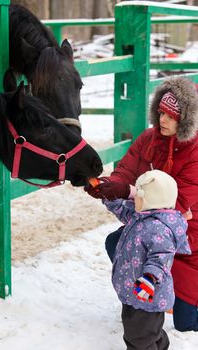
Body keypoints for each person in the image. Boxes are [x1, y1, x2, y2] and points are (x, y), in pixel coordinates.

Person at [84, 76, 198, 332]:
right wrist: (110, 186)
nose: (163, 120)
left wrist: (129, 191)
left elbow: (176, 203)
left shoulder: (195, 151)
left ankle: (169, 294)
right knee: (116, 242)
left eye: (171, 116)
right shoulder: (149, 138)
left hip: (188, 235)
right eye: (161, 113)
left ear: (186, 120)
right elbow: (126, 169)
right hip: (151, 225)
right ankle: (144, 298)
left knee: (186, 325)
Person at [102, 169, 190, 350]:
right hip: (135, 292)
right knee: (147, 331)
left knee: (139, 339)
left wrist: (149, 280)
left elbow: (160, 259)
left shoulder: (159, 228)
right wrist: (107, 196)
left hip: (147, 293)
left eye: (138, 195)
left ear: (150, 200)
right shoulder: (141, 215)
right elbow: (121, 209)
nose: (134, 199)